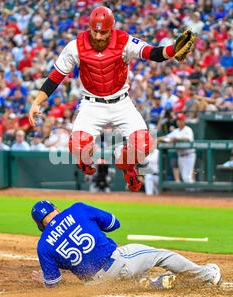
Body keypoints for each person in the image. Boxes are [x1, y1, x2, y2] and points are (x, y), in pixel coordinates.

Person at [28, 6, 194, 192]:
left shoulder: (123, 40)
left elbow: (152, 53)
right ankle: (84, 160)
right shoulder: (75, 45)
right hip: (92, 104)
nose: (98, 36)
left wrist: (172, 50)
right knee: (76, 146)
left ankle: (127, 166)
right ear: (90, 27)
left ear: (111, 29)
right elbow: (56, 76)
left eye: (103, 32)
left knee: (144, 144)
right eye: (95, 31)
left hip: (121, 102)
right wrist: (37, 102)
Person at [30, 200, 222, 288]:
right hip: (117, 263)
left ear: (40, 225)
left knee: (125, 277)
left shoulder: (43, 245)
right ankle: (207, 275)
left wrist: (44, 281)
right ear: (56, 208)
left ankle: (149, 284)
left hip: (95, 284)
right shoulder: (77, 209)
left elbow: (53, 283)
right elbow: (114, 223)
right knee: (161, 255)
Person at [157, 113, 195, 183]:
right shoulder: (176, 131)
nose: (179, 122)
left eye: (181, 120)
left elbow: (187, 139)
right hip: (180, 156)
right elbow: (167, 137)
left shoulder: (188, 129)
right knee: (184, 177)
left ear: (184, 121)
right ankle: (192, 191)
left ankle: (193, 192)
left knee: (187, 177)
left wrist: (176, 139)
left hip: (189, 155)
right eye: (178, 120)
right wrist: (158, 139)